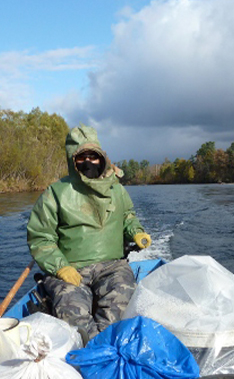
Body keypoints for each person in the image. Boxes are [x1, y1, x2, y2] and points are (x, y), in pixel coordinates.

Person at [26, 124, 151, 339]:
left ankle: (105, 348)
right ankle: (92, 351)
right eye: (82, 157)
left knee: (122, 306)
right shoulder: (55, 193)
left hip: (112, 267)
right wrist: (60, 267)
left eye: (93, 157)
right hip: (71, 269)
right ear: (72, 160)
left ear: (102, 158)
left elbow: (127, 216)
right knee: (72, 317)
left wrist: (136, 232)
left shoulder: (117, 190)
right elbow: (40, 237)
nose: (88, 162)